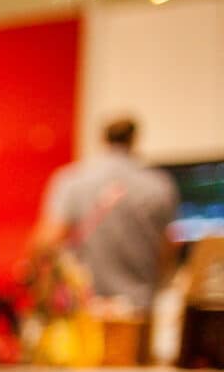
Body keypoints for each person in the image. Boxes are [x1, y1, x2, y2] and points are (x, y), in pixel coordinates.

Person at [36, 116, 179, 311]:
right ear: (134, 140)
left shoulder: (72, 181)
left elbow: (48, 241)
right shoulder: (160, 185)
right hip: (139, 309)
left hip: (86, 309)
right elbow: (168, 250)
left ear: (102, 140)